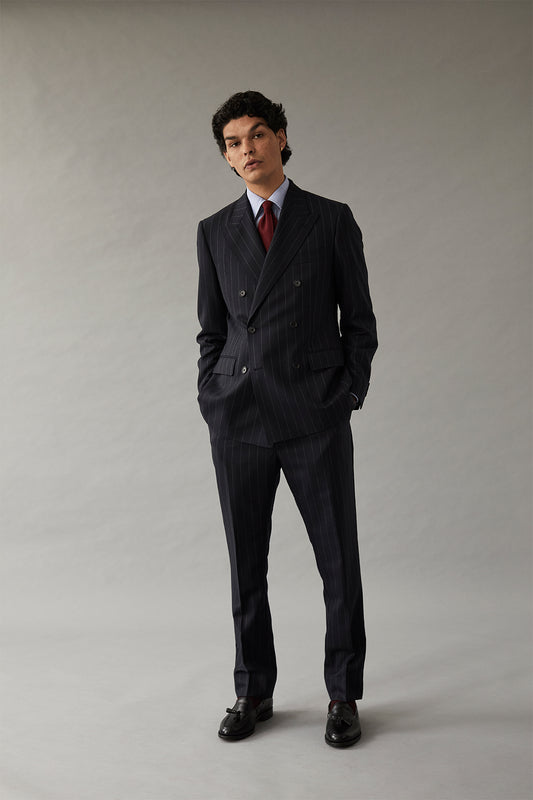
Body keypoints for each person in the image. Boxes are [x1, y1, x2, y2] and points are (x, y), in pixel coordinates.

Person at [196, 90, 377, 747]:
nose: (246, 149)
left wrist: (346, 395)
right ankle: (253, 690)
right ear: (226, 157)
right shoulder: (214, 231)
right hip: (239, 419)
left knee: (338, 561)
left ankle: (342, 694)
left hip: (313, 414)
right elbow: (211, 330)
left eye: (257, 134)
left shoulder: (329, 219)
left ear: (279, 138)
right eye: (233, 143)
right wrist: (211, 395)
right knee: (246, 563)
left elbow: (359, 321)